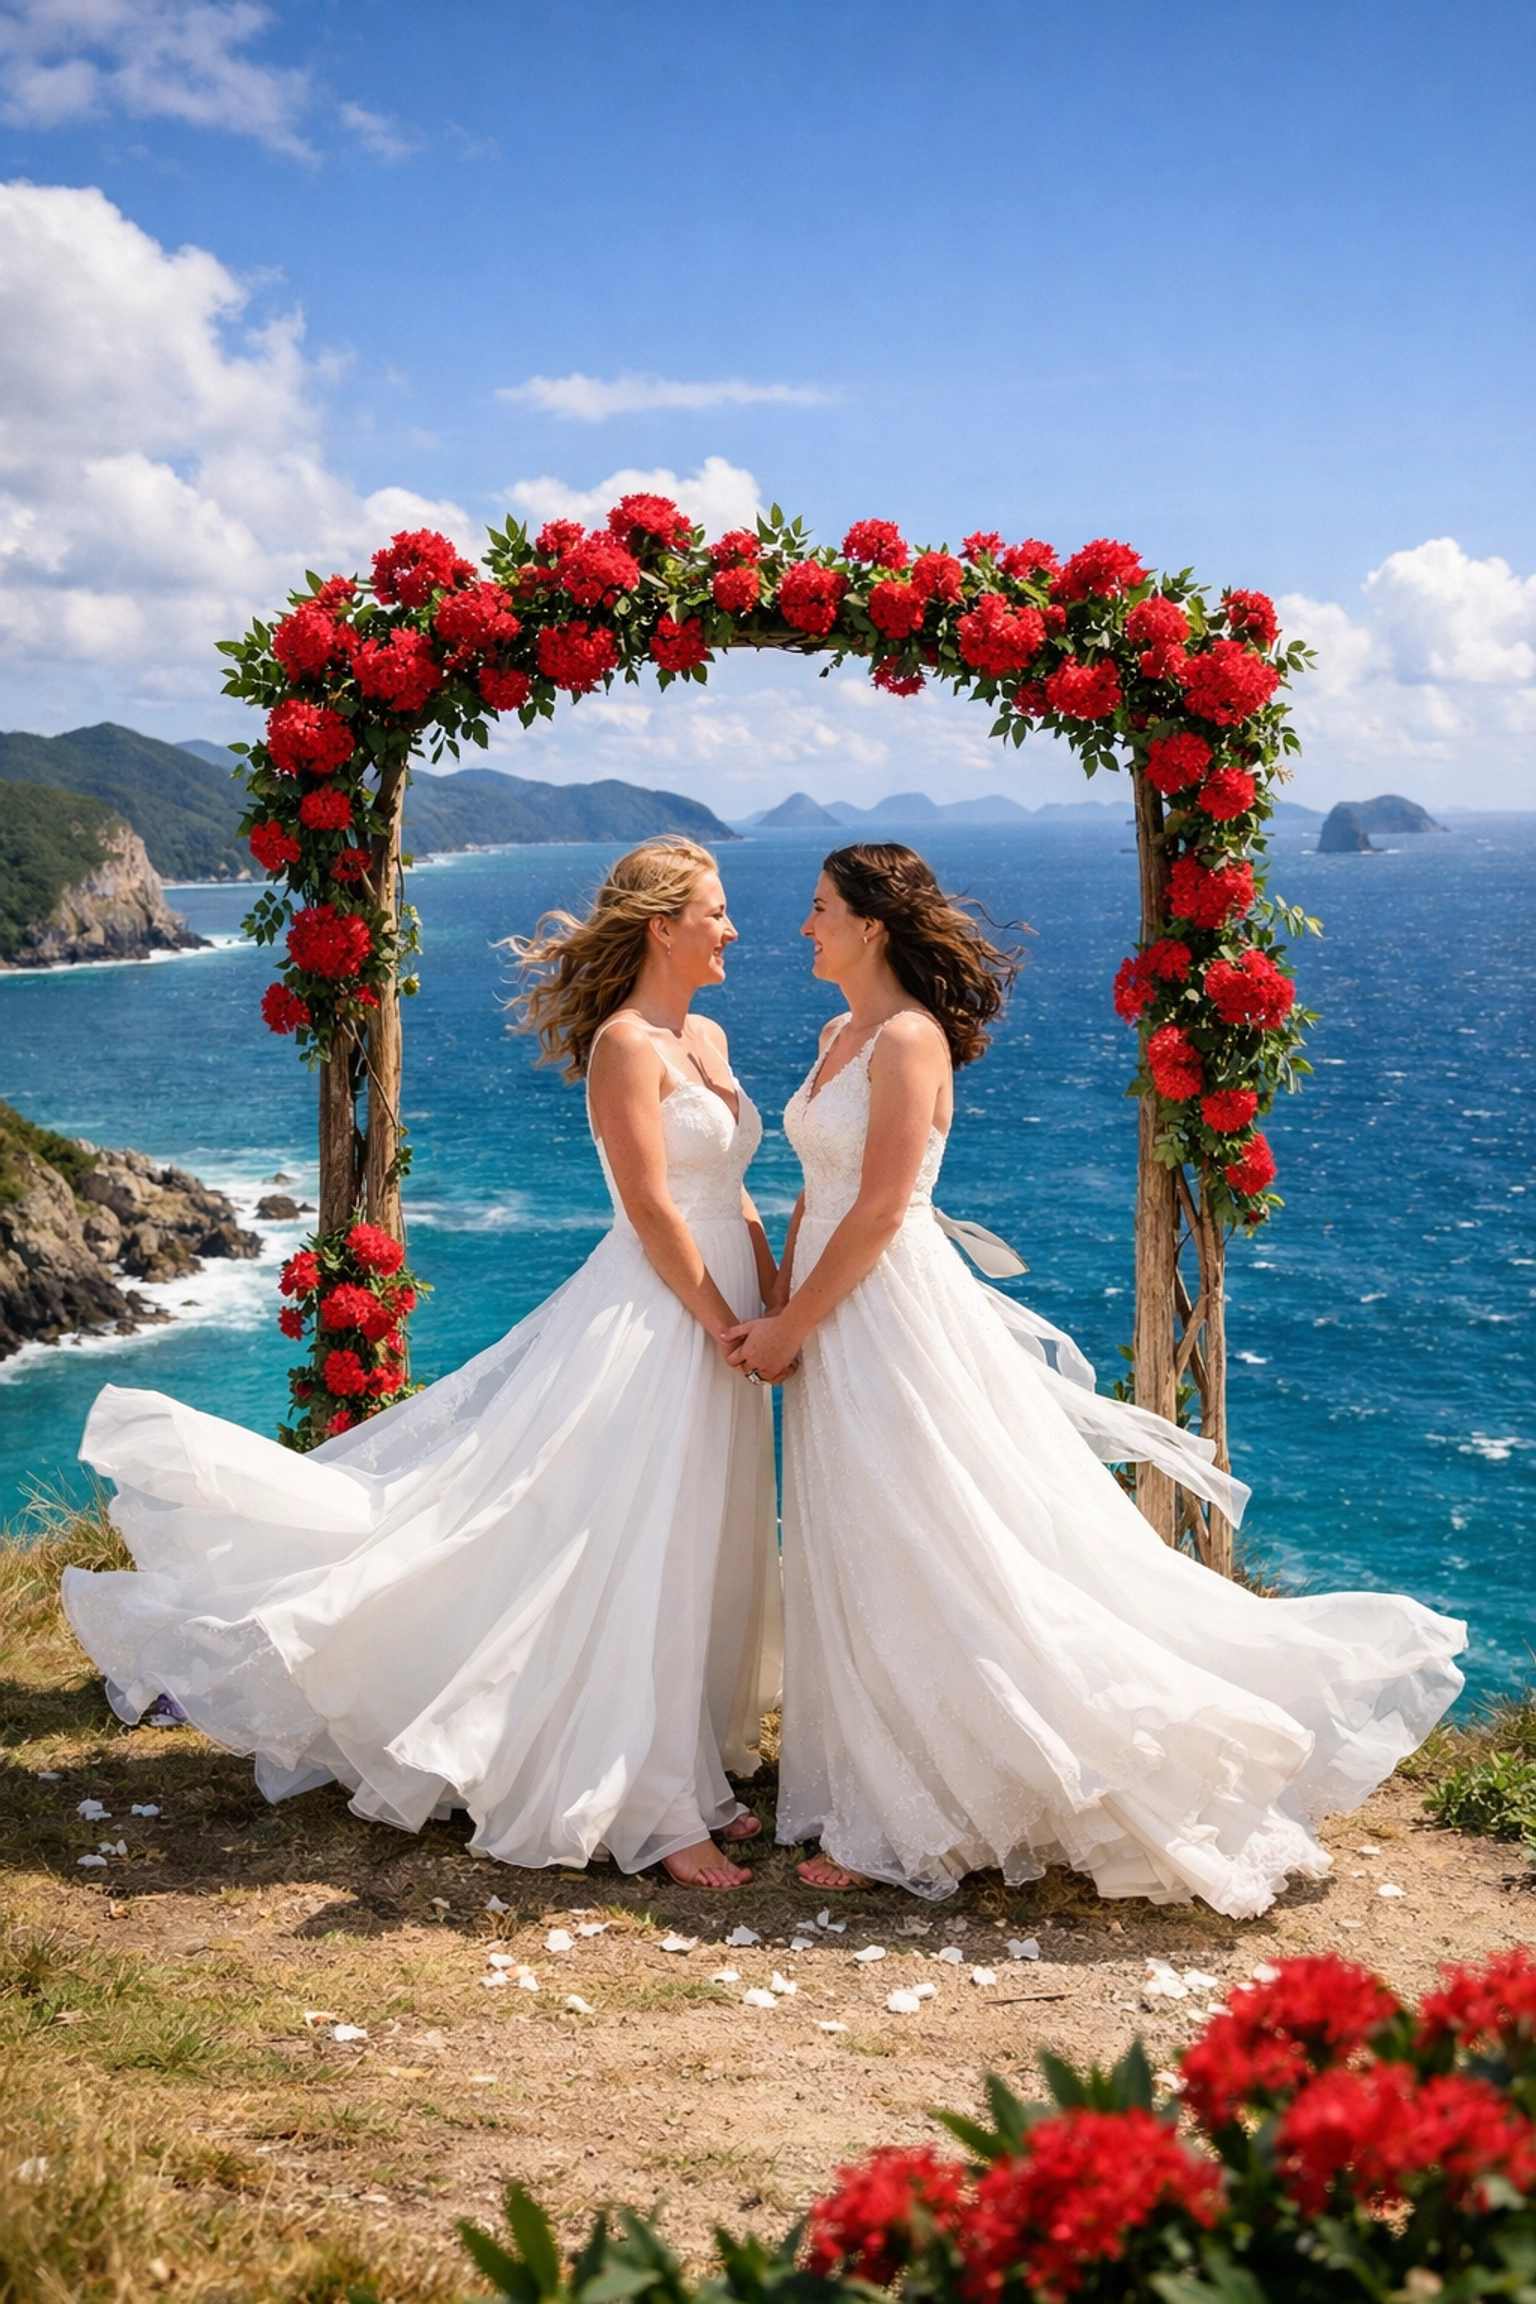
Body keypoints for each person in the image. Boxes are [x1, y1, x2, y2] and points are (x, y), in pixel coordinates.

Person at [725, 843, 1465, 1916]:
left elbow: (885, 1207)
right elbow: (818, 1190)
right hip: (833, 1309)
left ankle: (932, 1811)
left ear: (872, 924)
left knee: (929, 1533)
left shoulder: (908, 1039)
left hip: (888, 1307)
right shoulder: (839, 1034)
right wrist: (783, 1305)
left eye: (820, 907)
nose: (804, 926)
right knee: (856, 1531)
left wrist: (796, 1317)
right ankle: (883, 1785)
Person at [64, 839, 781, 1890]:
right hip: (662, 1312)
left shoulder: (706, 1032)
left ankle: (689, 1769)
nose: (731, 931)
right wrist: (725, 1320)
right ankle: (659, 1811)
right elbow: (654, 1209)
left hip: (724, 1310)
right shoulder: (628, 1045)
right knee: (640, 1544)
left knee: (701, 1533)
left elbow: (738, 1189)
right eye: (715, 913)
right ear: (662, 926)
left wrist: (779, 1309)